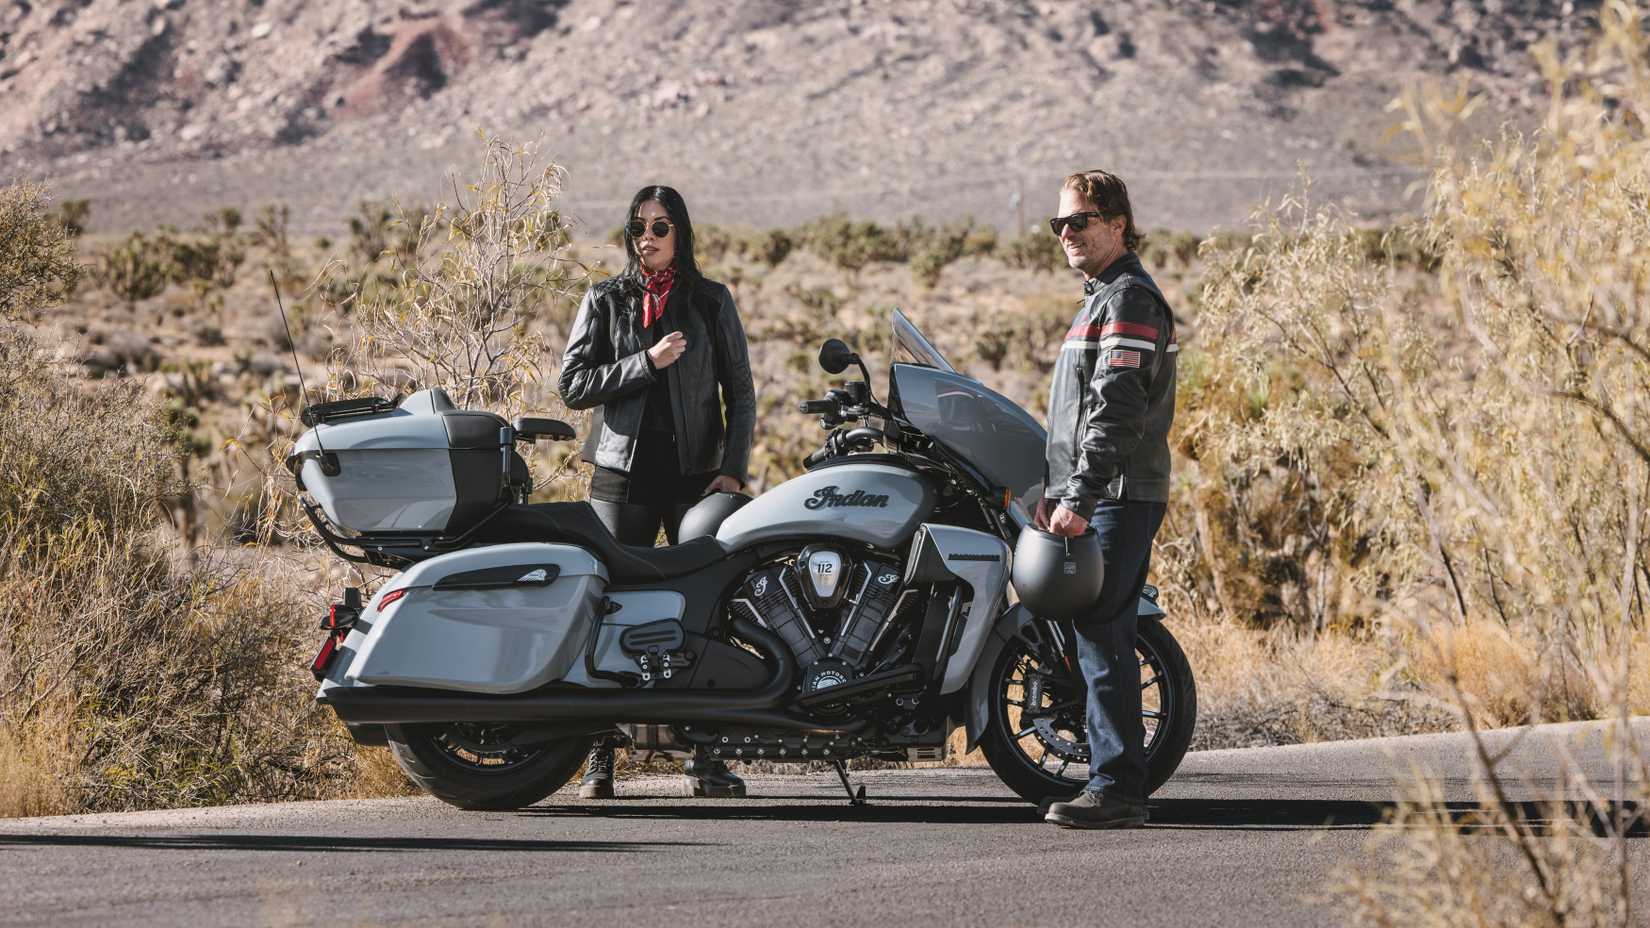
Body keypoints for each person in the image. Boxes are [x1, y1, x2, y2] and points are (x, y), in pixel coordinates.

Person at [558, 185, 756, 799]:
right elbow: (572, 385)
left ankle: (704, 757)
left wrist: (733, 469)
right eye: (638, 226)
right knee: (605, 608)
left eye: (661, 226)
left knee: (703, 611)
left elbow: (740, 393)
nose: (648, 237)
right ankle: (599, 760)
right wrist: (646, 362)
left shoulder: (709, 301)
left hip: (694, 478)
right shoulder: (605, 299)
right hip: (622, 478)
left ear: (682, 233)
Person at [1035, 169, 1177, 829]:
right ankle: (1112, 776)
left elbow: (1115, 415)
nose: (1066, 232)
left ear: (1116, 224)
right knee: (1095, 632)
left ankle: (1117, 789)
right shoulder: (1100, 298)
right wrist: (1059, 490)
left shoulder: (1128, 300)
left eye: (1080, 220)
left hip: (1118, 494)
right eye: (1059, 223)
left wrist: (1083, 496)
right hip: (1100, 493)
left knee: (1105, 632)